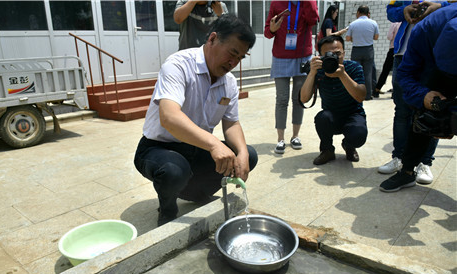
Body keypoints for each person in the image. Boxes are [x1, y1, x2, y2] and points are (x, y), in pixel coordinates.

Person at [134, 14, 258, 225]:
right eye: (232, 53)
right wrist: (213, 144)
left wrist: (243, 152)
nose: (233, 63)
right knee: (174, 171)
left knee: (248, 155)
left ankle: (197, 193)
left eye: (240, 58)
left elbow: (232, 123)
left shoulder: (228, 82)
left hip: (196, 147)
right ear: (212, 39)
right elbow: (169, 117)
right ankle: (168, 210)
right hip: (158, 148)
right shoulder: (178, 65)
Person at [380, 4, 457, 192]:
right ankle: (407, 171)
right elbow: (405, 75)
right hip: (435, 70)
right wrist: (423, 96)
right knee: (427, 114)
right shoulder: (423, 32)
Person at [300, 35, 368, 165]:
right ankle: (327, 150)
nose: (334, 58)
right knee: (322, 118)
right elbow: (304, 98)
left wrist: (343, 75)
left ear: (344, 53)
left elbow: (361, 96)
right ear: (320, 56)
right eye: (328, 55)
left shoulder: (353, 67)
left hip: (353, 114)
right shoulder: (319, 71)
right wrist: (312, 73)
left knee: (358, 135)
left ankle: (349, 145)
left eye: (338, 54)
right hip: (331, 116)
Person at [264, 0, 319, 154]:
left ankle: (295, 136)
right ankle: (280, 139)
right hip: (281, 56)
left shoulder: (308, 2)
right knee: (281, 99)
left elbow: (313, 20)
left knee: (298, 98)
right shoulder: (276, 3)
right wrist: (273, 29)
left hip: (303, 56)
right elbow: (267, 32)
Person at [345, 5, 379, 101]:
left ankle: (355, 94)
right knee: (368, 73)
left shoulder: (353, 24)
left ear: (358, 12)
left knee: (355, 71)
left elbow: (347, 38)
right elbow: (376, 37)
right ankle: (368, 95)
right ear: (368, 13)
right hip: (368, 50)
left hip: (356, 49)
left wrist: (355, 39)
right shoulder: (373, 23)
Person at [373, 22, 401, 98]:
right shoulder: (407, 23)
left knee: (386, 70)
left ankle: (377, 89)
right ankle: (396, 91)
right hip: (403, 50)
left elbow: (389, 37)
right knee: (400, 71)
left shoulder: (395, 23)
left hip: (393, 48)